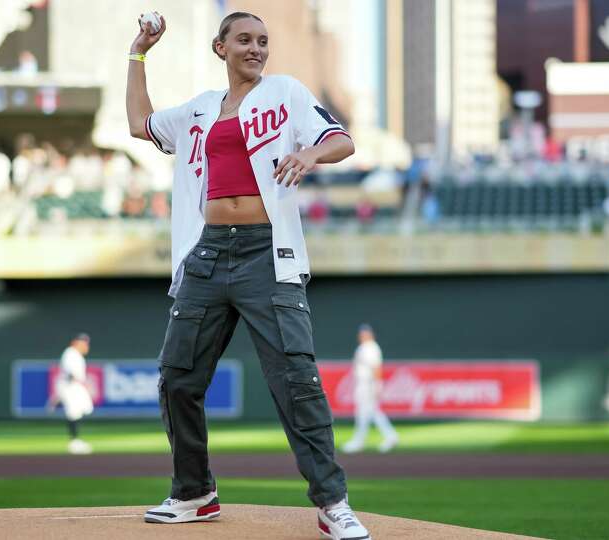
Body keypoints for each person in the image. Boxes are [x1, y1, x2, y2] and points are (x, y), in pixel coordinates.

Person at [127, 11, 370, 540]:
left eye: (263, 40)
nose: (256, 48)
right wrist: (138, 54)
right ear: (221, 48)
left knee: (297, 382)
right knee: (177, 379)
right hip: (206, 255)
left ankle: (333, 505)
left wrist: (308, 152)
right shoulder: (196, 111)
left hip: (269, 254)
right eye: (244, 40)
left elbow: (342, 140)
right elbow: (139, 123)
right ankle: (194, 493)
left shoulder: (284, 92)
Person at [341, 324, 398, 454]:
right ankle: (389, 436)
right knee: (370, 412)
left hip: (369, 384)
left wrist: (377, 384)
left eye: (365, 333)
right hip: (363, 383)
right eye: (361, 333)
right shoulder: (364, 347)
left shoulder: (371, 347)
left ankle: (360, 441)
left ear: (370, 334)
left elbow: (376, 367)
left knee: (365, 412)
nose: (362, 335)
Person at [52, 333, 94, 455]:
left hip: (73, 385)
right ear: (75, 342)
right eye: (83, 342)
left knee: (84, 408)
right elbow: (71, 373)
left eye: (86, 342)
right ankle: (74, 442)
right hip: (70, 386)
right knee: (74, 412)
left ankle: (75, 441)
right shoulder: (70, 353)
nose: (86, 345)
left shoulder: (76, 354)